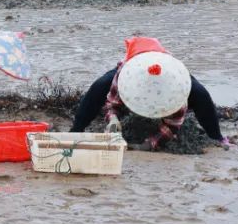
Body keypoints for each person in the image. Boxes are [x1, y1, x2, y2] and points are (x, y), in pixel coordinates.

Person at [70, 37, 228, 150]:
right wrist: (112, 118)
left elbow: (173, 125)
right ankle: (76, 130)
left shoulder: (177, 87)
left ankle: (217, 137)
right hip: (138, 62)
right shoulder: (125, 75)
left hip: (167, 70)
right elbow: (112, 103)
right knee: (100, 85)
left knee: (201, 95)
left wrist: (150, 144)